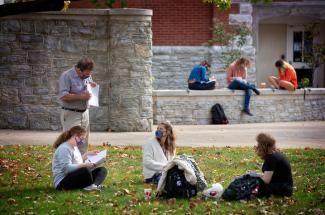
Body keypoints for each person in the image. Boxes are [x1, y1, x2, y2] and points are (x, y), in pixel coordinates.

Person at [58, 57, 97, 154]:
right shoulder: (66, 76)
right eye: (87, 73)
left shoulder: (87, 75)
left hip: (84, 112)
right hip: (71, 113)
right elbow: (63, 96)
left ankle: (82, 166)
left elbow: (87, 88)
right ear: (79, 70)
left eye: (90, 73)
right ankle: (69, 166)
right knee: (72, 142)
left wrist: (92, 86)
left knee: (83, 142)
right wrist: (81, 96)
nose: (89, 75)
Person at [52, 126, 108, 191]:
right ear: (75, 136)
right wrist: (84, 165)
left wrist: (87, 154)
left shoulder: (74, 147)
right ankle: (88, 185)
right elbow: (66, 169)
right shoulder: (64, 148)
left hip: (73, 176)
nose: (83, 141)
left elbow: (76, 162)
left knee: (102, 170)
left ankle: (93, 185)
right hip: (62, 183)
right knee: (85, 170)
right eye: (82, 138)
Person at [253, 133, 293, 197]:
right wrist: (254, 175)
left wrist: (252, 178)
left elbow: (265, 181)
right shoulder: (275, 154)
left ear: (263, 146)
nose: (256, 147)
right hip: (285, 188)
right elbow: (272, 175)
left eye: (258, 145)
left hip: (281, 189)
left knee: (248, 185)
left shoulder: (271, 158)